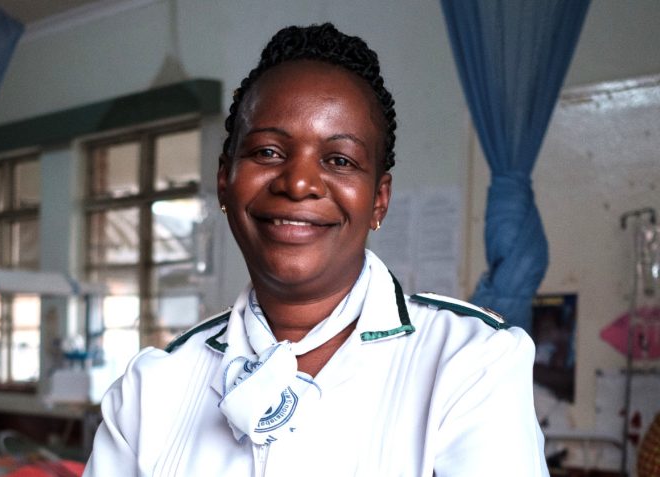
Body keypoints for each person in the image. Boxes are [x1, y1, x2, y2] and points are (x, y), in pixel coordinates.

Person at [85, 23, 547, 476]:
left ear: (377, 200)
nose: (299, 182)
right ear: (225, 181)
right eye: (267, 152)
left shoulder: (469, 363)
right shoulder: (151, 391)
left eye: (339, 160)